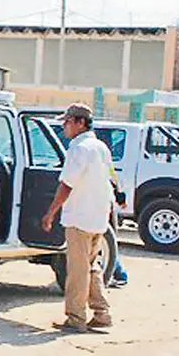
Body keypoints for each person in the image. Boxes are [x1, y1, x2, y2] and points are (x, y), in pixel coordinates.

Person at [41, 103, 113, 333]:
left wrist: (51, 212)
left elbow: (67, 184)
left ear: (80, 123)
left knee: (78, 271)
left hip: (80, 217)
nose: (65, 127)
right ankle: (101, 312)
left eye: (68, 122)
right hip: (98, 216)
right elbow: (111, 178)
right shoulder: (101, 147)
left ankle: (75, 317)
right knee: (91, 267)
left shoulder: (78, 148)